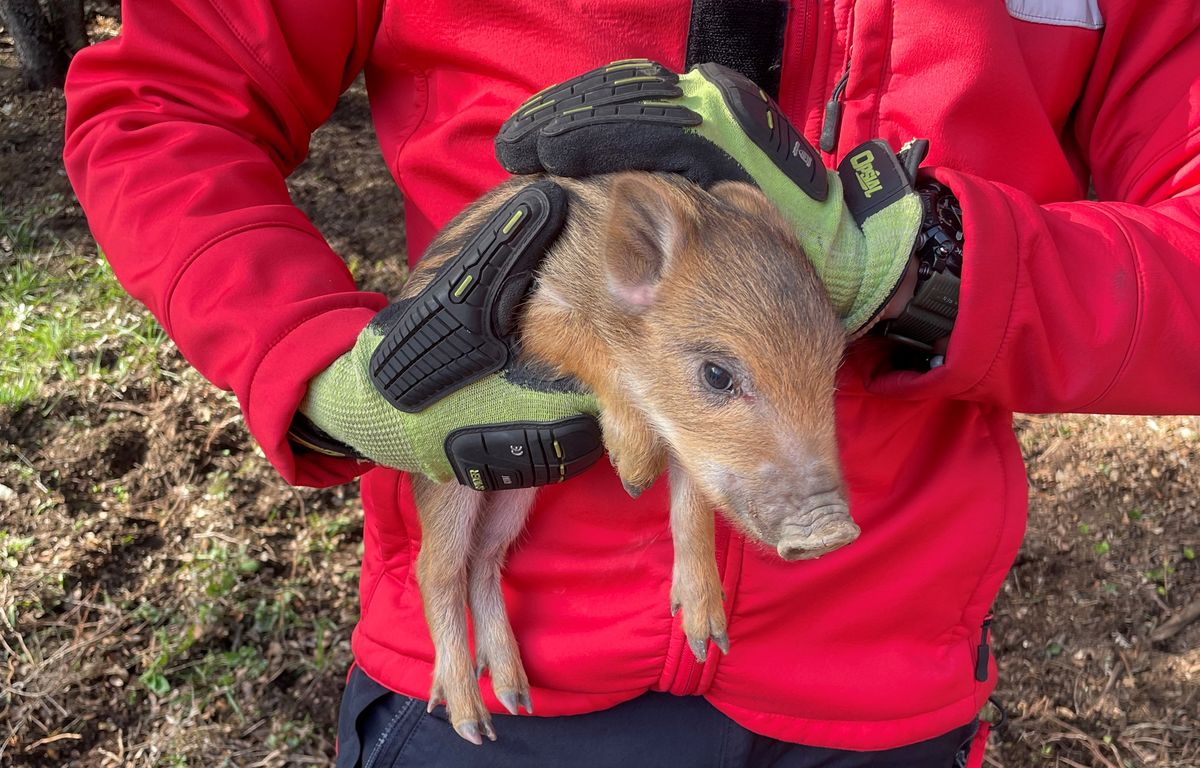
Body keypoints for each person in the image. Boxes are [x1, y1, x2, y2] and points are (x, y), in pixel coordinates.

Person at [61, 1, 1200, 766]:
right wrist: (307, 358)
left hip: (887, 687)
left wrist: (935, 261)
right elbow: (163, 99)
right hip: (500, 703)